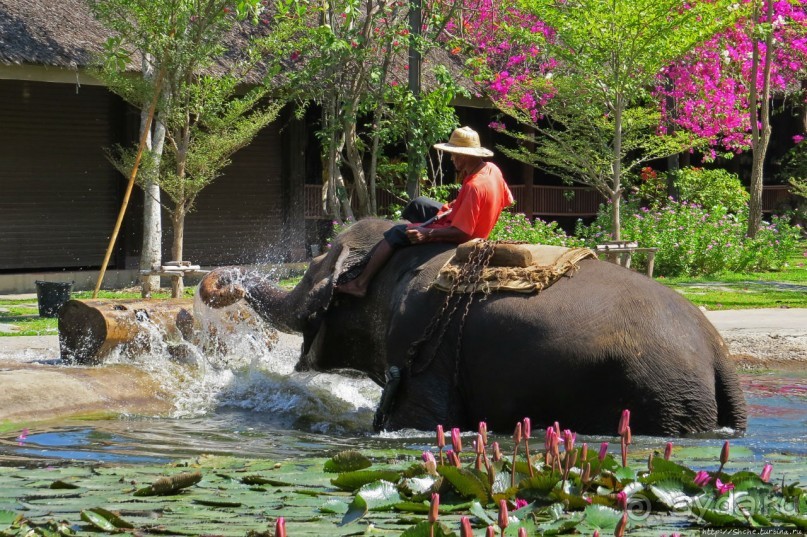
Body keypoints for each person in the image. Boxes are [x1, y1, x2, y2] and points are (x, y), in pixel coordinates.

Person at [336, 126, 514, 298]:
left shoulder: (474, 186)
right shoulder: (492, 169)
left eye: (453, 155)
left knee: (396, 232)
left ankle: (360, 284)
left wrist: (427, 233)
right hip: (460, 217)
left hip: (465, 235)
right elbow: (507, 200)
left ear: (464, 156)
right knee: (419, 204)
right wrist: (461, 206)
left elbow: (463, 232)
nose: (451, 159)